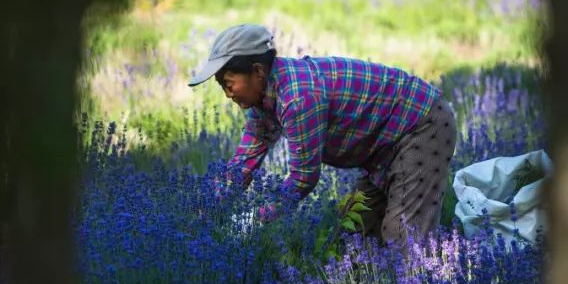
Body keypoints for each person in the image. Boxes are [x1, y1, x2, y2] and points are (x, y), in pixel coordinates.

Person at [188, 23, 458, 245]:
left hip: (421, 123)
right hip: (382, 146)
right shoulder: (264, 102)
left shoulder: (298, 97)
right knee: (356, 236)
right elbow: (244, 161)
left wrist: (255, 219)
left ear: (258, 72)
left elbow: (303, 179)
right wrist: (209, 209)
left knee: (403, 237)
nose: (227, 93)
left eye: (228, 83)